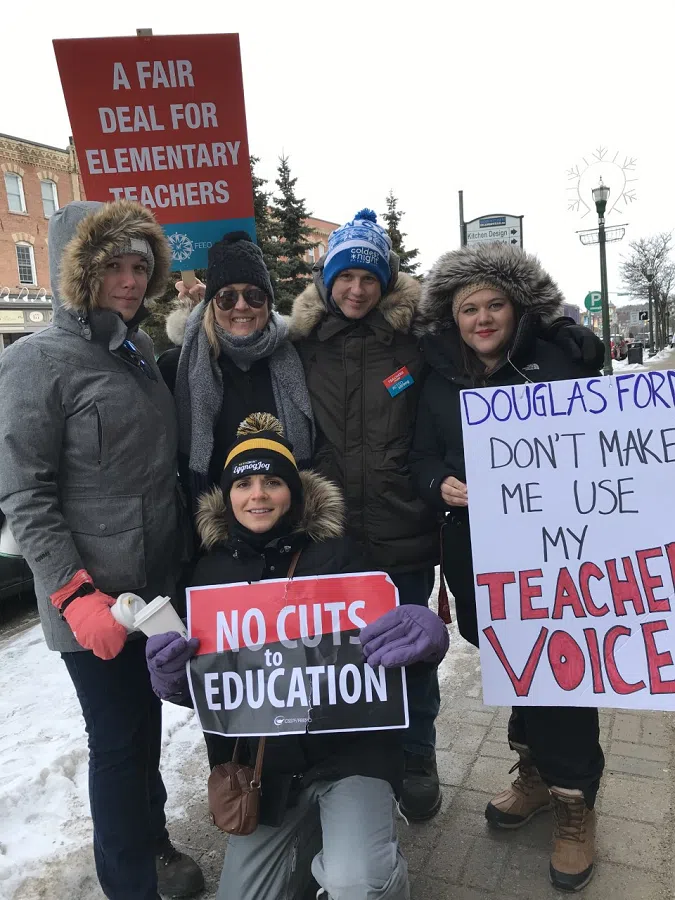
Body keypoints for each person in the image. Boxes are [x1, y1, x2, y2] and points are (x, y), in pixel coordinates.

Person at [145, 413, 449, 900]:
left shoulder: (343, 558)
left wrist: (426, 643)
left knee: (357, 884)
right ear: (227, 496)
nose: (258, 495)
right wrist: (177, 681)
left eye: (272, 481)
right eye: (243, 483)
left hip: (352, 756)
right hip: (270, 769)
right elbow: (219, 690)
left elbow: (389, 667)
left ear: (295, 492)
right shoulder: (208, 575)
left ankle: (371, 863)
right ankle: (317, 845)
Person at [0, 200, 203, 900]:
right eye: (112, 265)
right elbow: (25, 495)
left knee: (142, 728)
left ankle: (154, 845)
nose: (127, 280)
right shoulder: (35, 362)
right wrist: (71, 593)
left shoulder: (137, 351)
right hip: (91, 602)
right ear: (78, 272)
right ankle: (130, 885)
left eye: (139, 266)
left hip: (151, 590)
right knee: (117, 744)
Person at [410, 242, 605, 892]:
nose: (483, 317)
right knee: (516, 664)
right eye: (470, 307)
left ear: (515, 307)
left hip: (557, 552)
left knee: (563, 666)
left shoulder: (555, 360)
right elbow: (419, 456)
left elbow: (607, 444)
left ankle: (575, 796)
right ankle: (536, 775)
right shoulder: (436, 379)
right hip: (478, 555)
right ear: (452, 315)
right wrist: (439, 482)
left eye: (494, 303)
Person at [158, 232, 314, 508]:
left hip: (289, 518)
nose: (241, 306)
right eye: (227, 297)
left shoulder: (300, 356)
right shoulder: (177, 367)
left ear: (268, 301)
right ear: (212, 304)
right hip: (211, 525)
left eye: (254, 295)